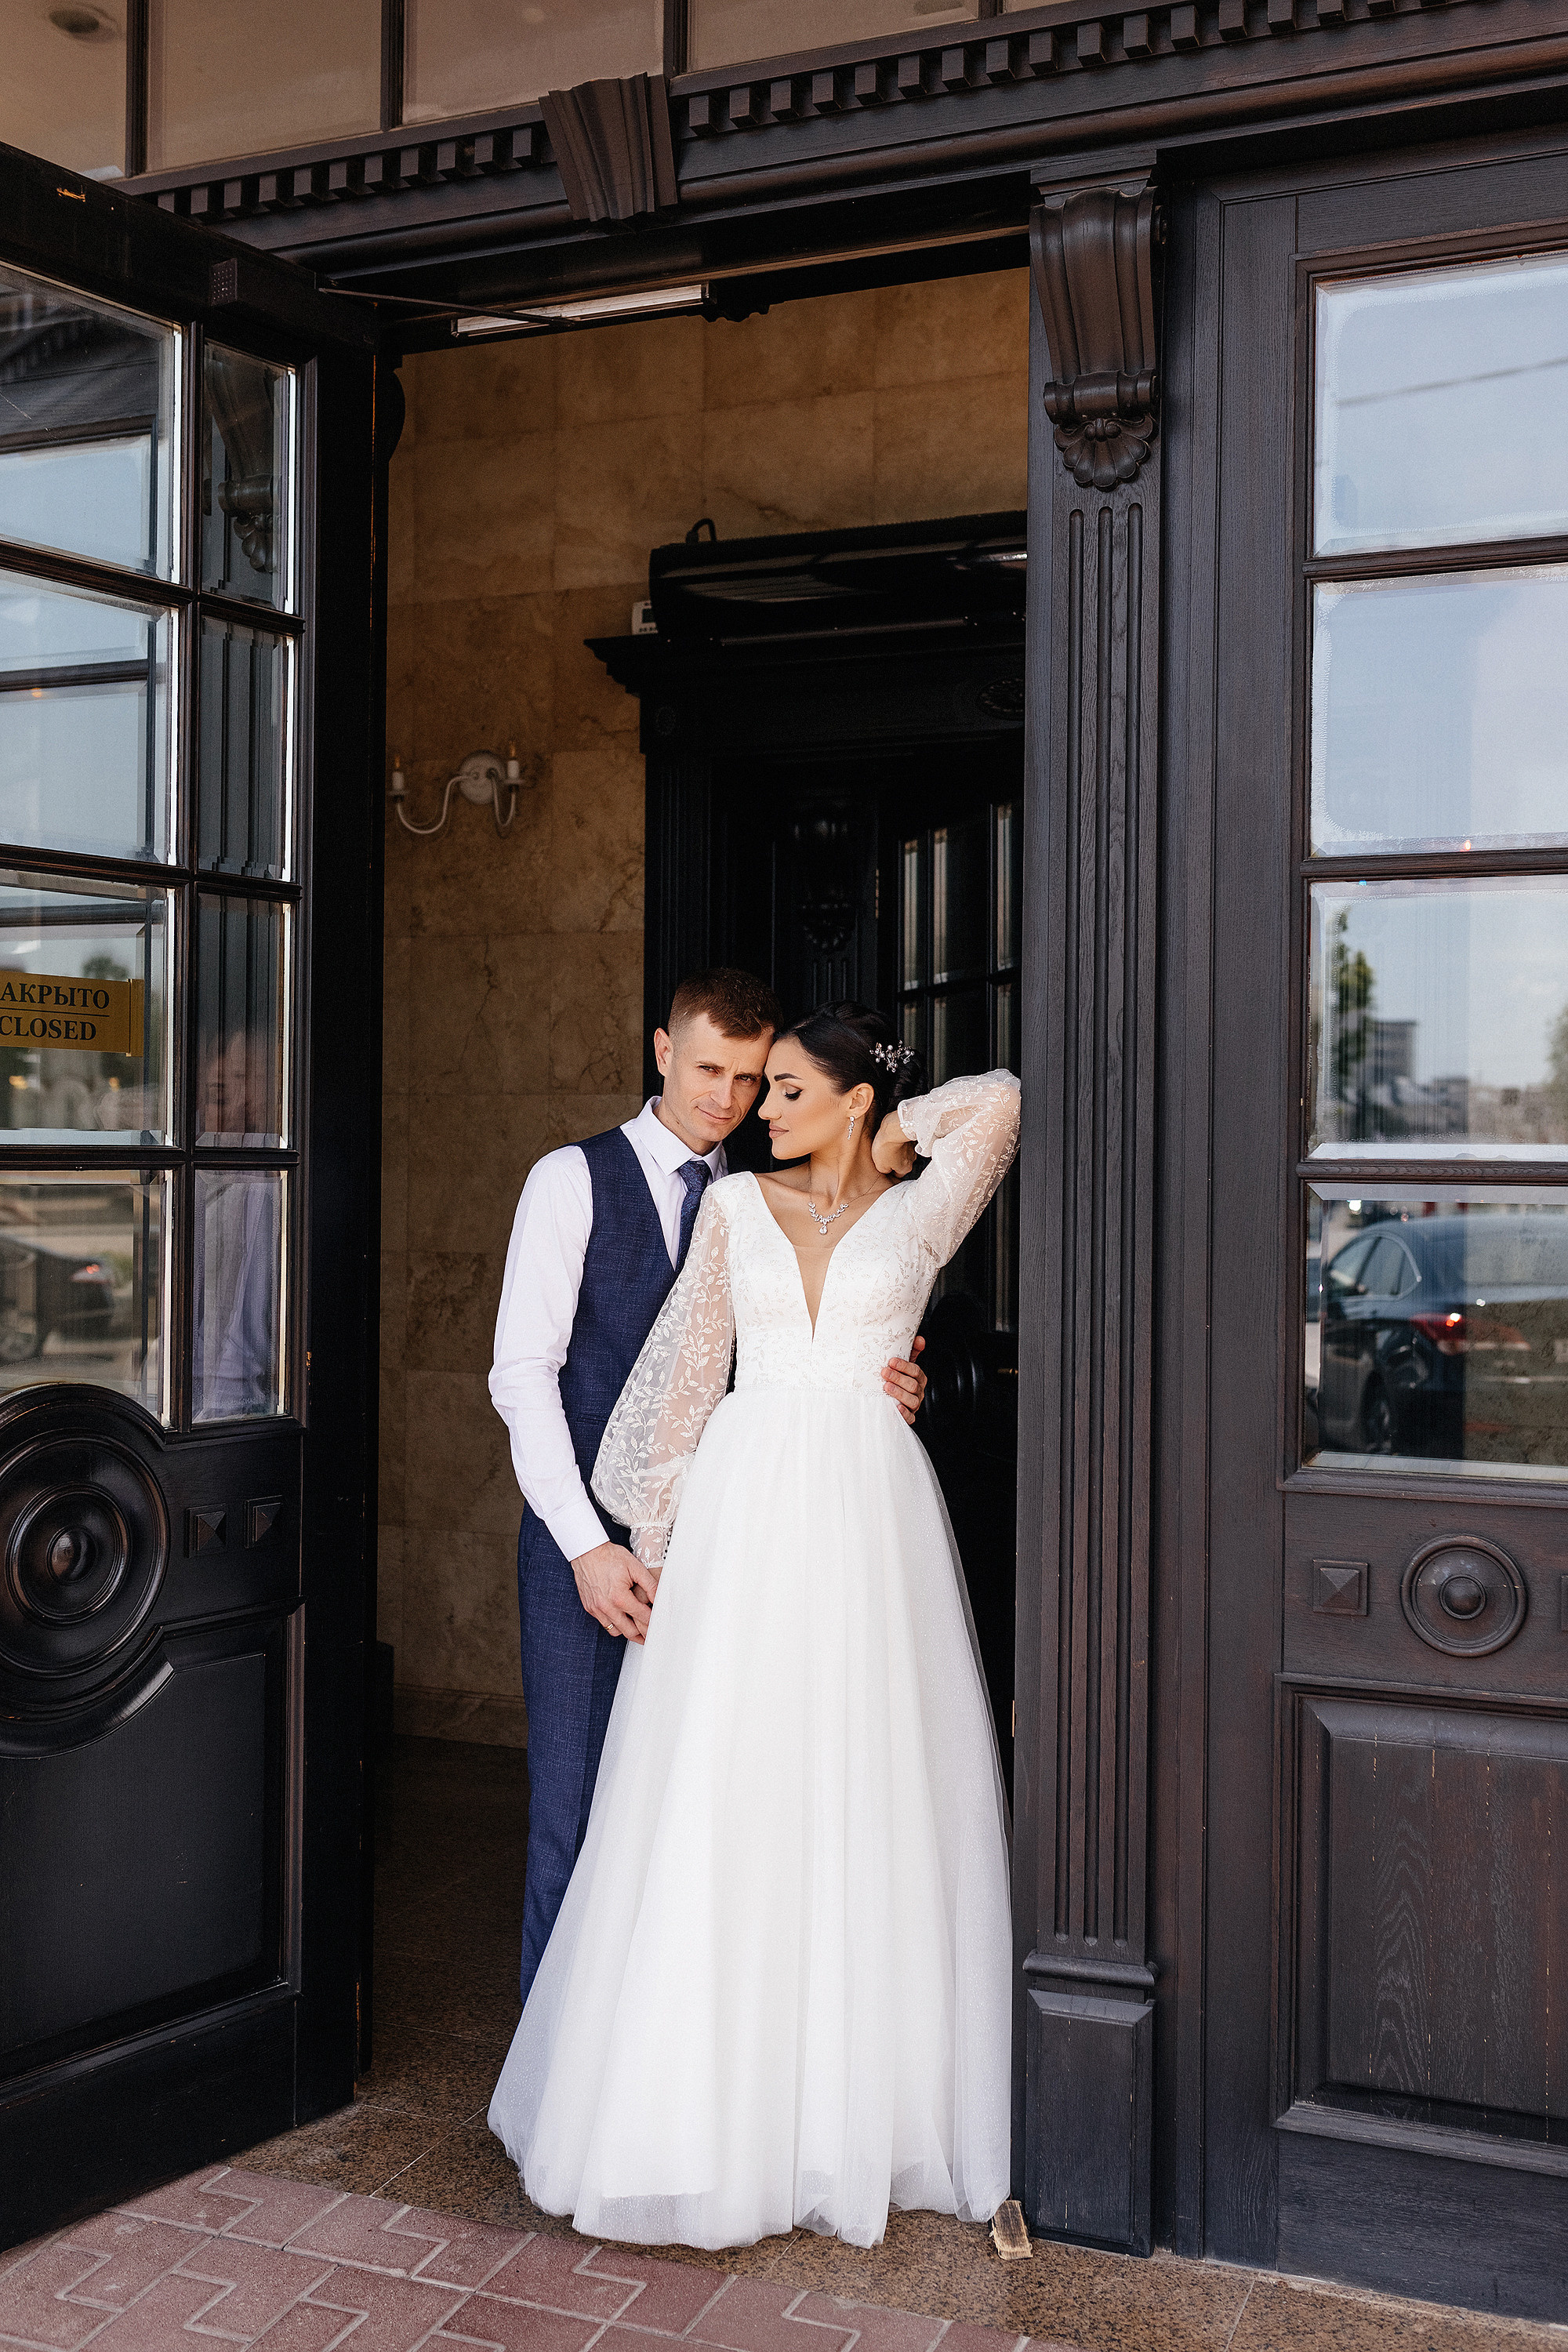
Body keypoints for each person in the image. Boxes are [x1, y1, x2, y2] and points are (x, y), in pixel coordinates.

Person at [488, 1003, 1019, 2251]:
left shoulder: (916, 1209)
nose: (758, 1112)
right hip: (745, 1510)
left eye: (784, 1089)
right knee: (713, 1795)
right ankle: (677, 2102)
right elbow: (676, 1391)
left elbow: (993, 1104)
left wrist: (890, 1142)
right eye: (747, 1082)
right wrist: (647, 1555)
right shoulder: (731, 1211)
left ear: (849, 1101)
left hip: (872, 1518)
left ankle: (851, 2112)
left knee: (863, 1791)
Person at [489, 971, 930, 2004]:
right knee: (578, 1817)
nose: (725, 1097)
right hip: (590, 1556)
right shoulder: (570, 1180)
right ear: (661, 1052)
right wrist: (583, 1547)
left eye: (749, 1076)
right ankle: (552, 2100)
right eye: (706, 1070)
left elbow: (807, 1348)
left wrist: (885, 1376)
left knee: (706, 1827)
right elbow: (521, 1376)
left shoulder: (776, 1197)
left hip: (740, 1552)